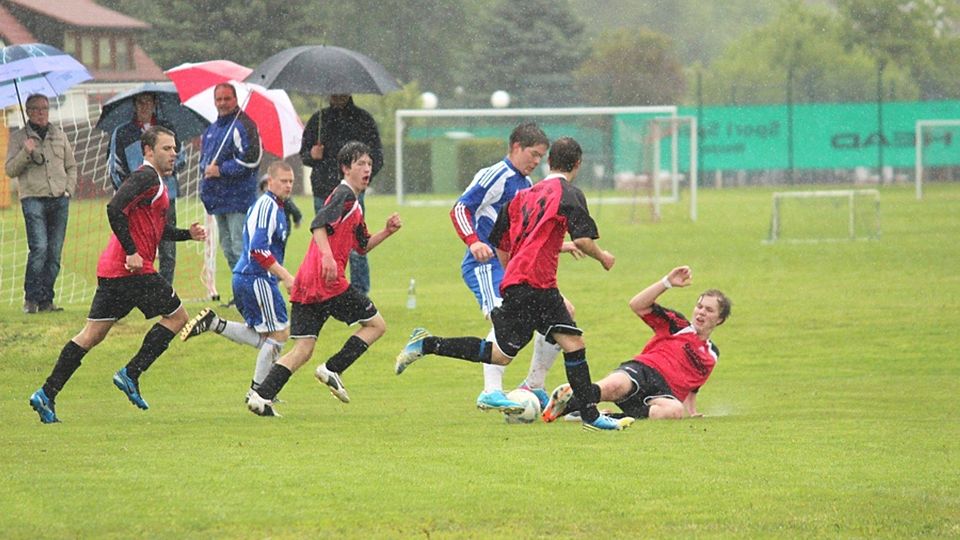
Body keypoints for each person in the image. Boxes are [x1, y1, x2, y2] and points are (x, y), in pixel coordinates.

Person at [396, 137, 632, 432]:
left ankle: (427, 344)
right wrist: (602, 257)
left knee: (499, 354)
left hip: (520, 284)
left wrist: (514, 275)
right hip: (539, 286)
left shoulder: (522, 196)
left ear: (549, 162)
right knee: (574, 344)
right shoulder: (569, 193)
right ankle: (590, 415)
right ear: (578, 164)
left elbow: (501, 244)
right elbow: (584, 240)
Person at [28, 126, 207, 424]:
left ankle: (46, 393)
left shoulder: (156, 183)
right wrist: (132, 251)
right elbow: (114, 208)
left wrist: (187, 234)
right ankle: (131, 373)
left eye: (175, 148)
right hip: (132, 271)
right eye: (166, 148)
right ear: (148, 151)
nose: (173, 153)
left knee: (91, 335)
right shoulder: (146, 176)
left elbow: (156, 230)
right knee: (177, 318)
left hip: (113, 272)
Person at [246, 141, 402, 417]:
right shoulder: (345, 195)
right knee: (376, 325)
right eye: (360, 164)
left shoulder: (354, 203)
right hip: (327, 281)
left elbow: (362, 246)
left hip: (308, 282)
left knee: (303, 348)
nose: (367, 169)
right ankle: (332, 368)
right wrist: (329, 258)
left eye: (369, 164)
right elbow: (318, 224)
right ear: (345, 168)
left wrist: (387, 231)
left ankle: (261, 396)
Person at [449, 121, 573, 412]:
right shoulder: (496, 175)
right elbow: (460, 208)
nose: (536, 161)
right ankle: (490, 391)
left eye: (541, 157)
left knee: (564, 311)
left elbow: (524, 233)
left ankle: (533, 384)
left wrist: (559, 245)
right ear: (516, 147)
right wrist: (473, 241)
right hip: (483, 263)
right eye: (532, 154)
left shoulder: (526, 185)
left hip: (512, 266)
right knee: (502, 319)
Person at [542, 266, 731, 422]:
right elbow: (637, 305)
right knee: (613, 386)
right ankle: (564, 405)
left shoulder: (712, 354)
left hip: (663, 395)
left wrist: (692, 411)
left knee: (674, 412)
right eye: (699, 306)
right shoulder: (679, 325)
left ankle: (603, 416)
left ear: (720, 319)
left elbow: (693, 387)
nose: (701, 312)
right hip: (643, 372)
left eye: (709, 310)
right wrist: (667, 283)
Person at [178, 161, 297, 403]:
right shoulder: (267, 206)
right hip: (256, 277)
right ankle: (258, 393)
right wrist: (285, 276)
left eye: (291, 181)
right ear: (269, 181)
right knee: (279, 334)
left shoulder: (275, 206)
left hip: (250, 277)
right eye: (283, 181)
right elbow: (258, 251)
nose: (288, 185)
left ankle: (215, 324)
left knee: (266, 337)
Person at [299, 95, 383, 295]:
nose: (337, 95)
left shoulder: (363, 120)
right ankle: (323, 289)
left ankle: (360, 293)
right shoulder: (318, 120)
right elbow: (303, 155)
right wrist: (312, 155)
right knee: (323, 243)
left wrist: (361, 183)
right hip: (323, 190)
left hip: (352, 194)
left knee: (355, 246)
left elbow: (377, 156)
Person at [5, 94, 77, 314]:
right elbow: (10, 170)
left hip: (59, 199)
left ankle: (47, 300)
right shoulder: (19, 138)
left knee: (54, 253)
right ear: (28, 111)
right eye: (36, 109)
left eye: (45, 108)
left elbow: (71, 166)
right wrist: (26, 152)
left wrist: (68, 190)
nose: (41, 112)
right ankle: (31, 299)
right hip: (33, 199)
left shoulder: (59, 136)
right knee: (39, 249)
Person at [108, 91, 186, 285]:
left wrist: (165, 168)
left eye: (148, 102)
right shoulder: (123, 132)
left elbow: (181, 157)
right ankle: (137, 288)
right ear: (134, 104)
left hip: (165, 196)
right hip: (135, 202)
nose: (144, 106)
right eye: (140, 102)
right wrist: (130, 190)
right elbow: (114, 166)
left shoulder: (167, 129)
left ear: (155, 103)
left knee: (168, 247)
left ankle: (166, 290)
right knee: (137, 246)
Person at [199, 83, 262, 304]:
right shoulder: (212, 130)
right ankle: (241, 294)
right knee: (227, 248)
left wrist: (221, 170)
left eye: (227, 99)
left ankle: (253, 294)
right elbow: (205, 162)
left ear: (235, 99)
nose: (223, 103)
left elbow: (252, 160)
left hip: (239, 200)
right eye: (219, 99)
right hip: (218, 202)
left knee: (239, 246)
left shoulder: (245, 125)